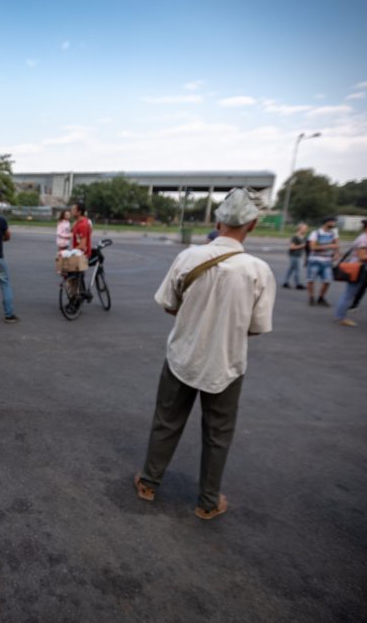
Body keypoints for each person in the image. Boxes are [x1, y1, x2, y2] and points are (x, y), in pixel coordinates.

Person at [134, 189, 275, 520]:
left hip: (182, 356)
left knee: (166, 422)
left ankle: (149, 483)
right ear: (252, 225)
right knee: (218, 435)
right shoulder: (258, 271)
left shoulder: (188, 257)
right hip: (227, 364)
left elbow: (169, 304)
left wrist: (195, 318)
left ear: (218, 220)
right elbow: (256, 327)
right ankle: (208, 502)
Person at [334, 219, 367, 327]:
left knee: (350, 293)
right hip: (358, 269)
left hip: (360, 268)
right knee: (349, 294)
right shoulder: (364, 240)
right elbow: (362, 257)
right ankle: (341, 317)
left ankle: (341, 316)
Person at [306, 216, 340, 307]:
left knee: (327, 280)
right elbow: (312, 247)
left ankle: (321, 297)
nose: (334, 224)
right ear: (327, 222)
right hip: (315, 259)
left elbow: (336, 245)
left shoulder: (333, 234)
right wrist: (329, 246)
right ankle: (311, 297)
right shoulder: (315, 233)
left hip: (327, 260)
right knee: (311, 279)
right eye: (332, 222)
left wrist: (337, 253)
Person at [283, 223, 308, 289]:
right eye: (304, 229)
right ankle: (298, 283)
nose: (306, 230)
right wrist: (301, 246)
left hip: (299, 255)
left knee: (291, 269)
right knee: (297, 270)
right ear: (300, 229)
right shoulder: (295, 237)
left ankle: (285, 281)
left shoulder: (304, 237)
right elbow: (292, 247)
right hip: (294, 255)